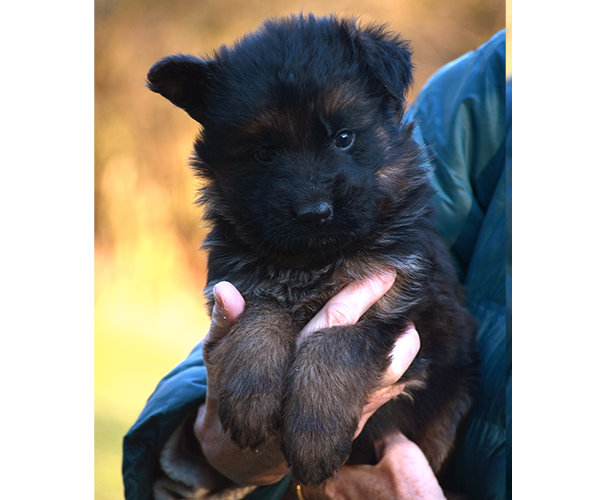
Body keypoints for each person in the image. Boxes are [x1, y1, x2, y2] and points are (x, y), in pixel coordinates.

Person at [123, 29, 509, 500]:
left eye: (344, 138)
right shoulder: (489, 89)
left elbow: (409, 327)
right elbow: (233, 329)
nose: (313, 201)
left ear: (387, 119)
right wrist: (206, 436)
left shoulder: (400, 222)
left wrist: (332, 363)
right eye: (265, 154)